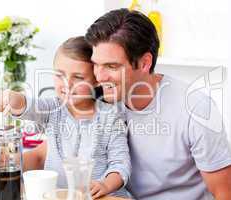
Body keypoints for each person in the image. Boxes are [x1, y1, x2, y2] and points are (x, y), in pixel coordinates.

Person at [85, 8, 231, 200]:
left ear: (145, 63)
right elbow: (49, 149)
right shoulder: (100, 100)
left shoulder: (195, 108)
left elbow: (224, 193)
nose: (99, 76)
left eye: (112, 66)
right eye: (96, 64)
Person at [0, 36, 132, 199]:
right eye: (59, 75)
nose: (67, 83)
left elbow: (120, 164)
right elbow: (28, 105)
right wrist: (11, 97)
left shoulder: (111, 117)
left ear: (96, 81)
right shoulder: (53, 108)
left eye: (78, 77)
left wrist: (105, 185)